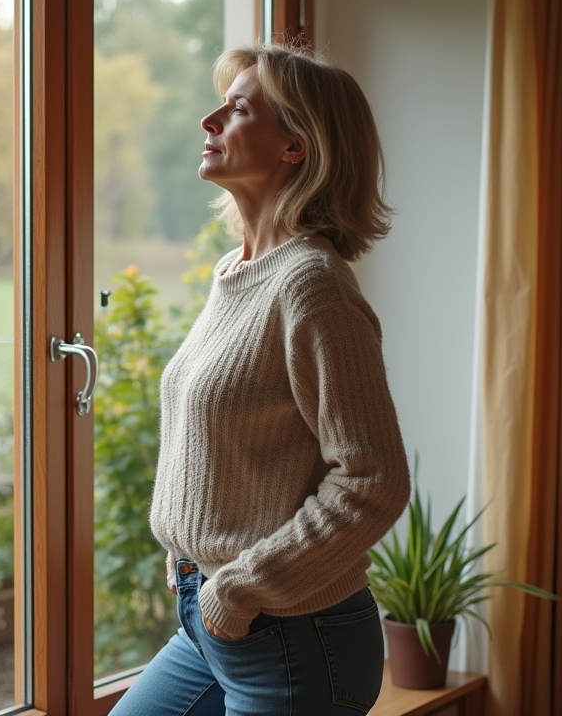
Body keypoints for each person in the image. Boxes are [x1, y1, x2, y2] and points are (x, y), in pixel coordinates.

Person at [108, 41, 412, 716]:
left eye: (238, 108)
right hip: (212, 621)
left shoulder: (313, 285)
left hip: (295, 640)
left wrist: (236, 592)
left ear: (294, 147)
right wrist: (204, 585)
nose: (208, 121)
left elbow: (374, 480)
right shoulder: (237, 273)